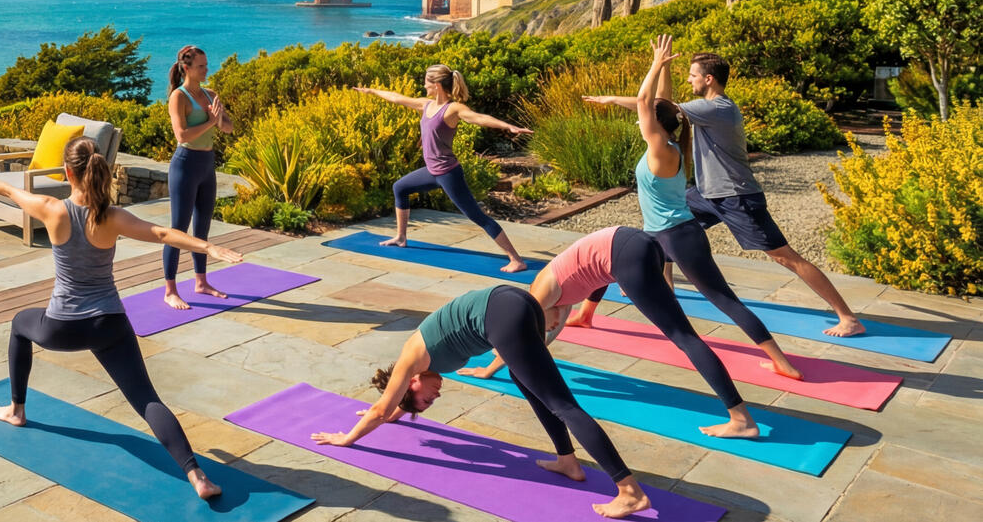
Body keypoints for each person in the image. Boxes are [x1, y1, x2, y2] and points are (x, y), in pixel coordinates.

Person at [0, 136, 243, 502]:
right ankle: (196, 475)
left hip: (62, 328)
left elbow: (10, 191)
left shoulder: (52, 209)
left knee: (20, 324)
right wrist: (207, 246)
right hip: (109, 325)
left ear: (68, 172)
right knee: (146, 400)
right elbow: (161, 233)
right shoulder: (111, 217)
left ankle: (17, 410)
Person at [310, 285, 651, 520]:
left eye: (428, 398)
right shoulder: (419, 371)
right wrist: (391, 415)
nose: (437, 396)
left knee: (562, 404)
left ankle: (629, 490)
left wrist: (348, 436)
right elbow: (393, 408)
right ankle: (568, 461)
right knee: (531, 388)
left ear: (410, 383)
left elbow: (383, 407)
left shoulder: (408, 361)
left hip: (504, 313)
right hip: (513, 304)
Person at [578, 35, 803, 379]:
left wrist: (655, 63)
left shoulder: (659, 148)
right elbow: (662, 103)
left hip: (679, 236)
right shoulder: (669, 138)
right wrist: (665, 67)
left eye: (645, 118)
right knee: (609, 261)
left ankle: (781, 361)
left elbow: (645, 100)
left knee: (723, 299)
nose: (640, 120)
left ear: (654, 124)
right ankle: (586, 313)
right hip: (657, 234)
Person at [465, 226, 761, 438]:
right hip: (637, 242)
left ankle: (741, 419)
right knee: (682, 334)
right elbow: (545, 337)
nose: (554, 326)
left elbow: (520, 340)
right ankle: (740, 415)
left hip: (627, 252)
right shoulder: (555, 306)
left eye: (550, 323)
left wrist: (490, 368)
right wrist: (586, 314)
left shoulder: (540, 295)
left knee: (684, 337)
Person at [665, 48, 864, 337]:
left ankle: (848, 318)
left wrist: (614, 97)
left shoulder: (717, 108)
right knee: (670, 223)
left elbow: (659, 107)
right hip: (707, 193)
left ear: (709, 79)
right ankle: (665, 284)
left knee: (785, 257)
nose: (689, 79)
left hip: (737, 197)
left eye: (693, 75)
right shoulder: (708, 107)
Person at [356, 65, 530, 273]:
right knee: (400, 188)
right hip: (431, 171)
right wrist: (371, 91)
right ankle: (401, 237)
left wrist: (507, 126)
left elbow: (479, 118)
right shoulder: (425, 105)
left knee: (477, 216)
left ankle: (516, 259)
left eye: (426, 82)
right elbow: (396, 97)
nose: (423, 85)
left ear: (437, 85)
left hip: (448, 174)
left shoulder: (453, 109)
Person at [163, 45, 234, 310]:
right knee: (177, 230)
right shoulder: (179, 97)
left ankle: (201, 282)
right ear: (187, 68)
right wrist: (210, 121)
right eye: (201, 66)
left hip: (207, 163)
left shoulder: (210, 94)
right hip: (185, 165)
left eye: (206, 64)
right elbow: (181, 135)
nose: (206, 70)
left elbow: (228, 127)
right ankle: (170, 290)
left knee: (202, 228)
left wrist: (220, 119)